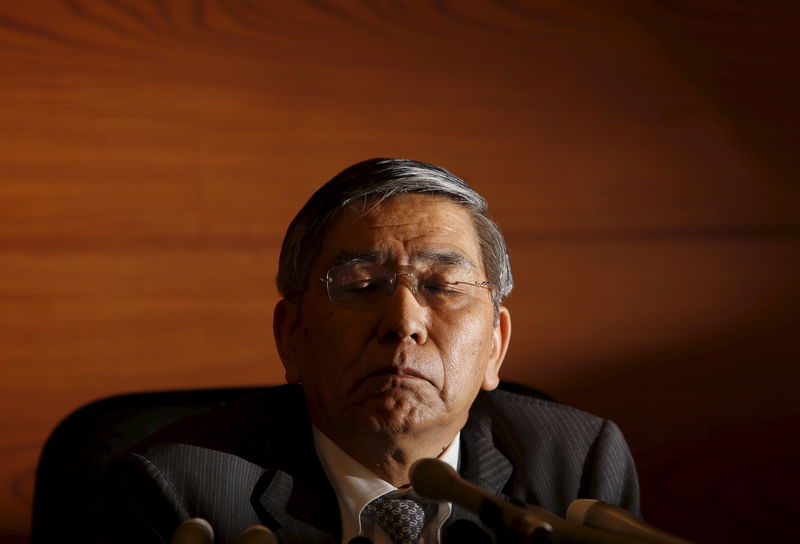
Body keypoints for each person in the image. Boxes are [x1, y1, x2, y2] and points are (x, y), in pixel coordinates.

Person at [101, 158, 639, 543]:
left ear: (496, 344)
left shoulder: (578, 467)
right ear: (292, 335)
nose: (404, 323)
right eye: (361, 286)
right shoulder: (176, 495)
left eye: (443, 286)